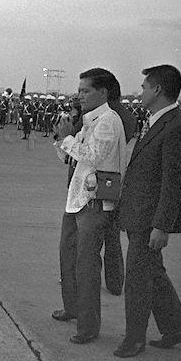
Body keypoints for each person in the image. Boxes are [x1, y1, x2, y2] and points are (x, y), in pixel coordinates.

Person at [113, 65, 181, 358]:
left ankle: (134, 339)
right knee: (153, 273)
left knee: (137, 278)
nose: (141, 91)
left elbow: (174, 183)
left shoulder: (175, 128)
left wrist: (161, 226)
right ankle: (178, 329)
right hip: (139, 213)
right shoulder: (159, 122)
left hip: (150, 219)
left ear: (158, 90)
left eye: (145, 86)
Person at [51, 68, 127, 345]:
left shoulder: (107, 121)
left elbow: (94, 157)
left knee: (86, 265)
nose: (79, 94)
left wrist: (70, 139)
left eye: (85, 90)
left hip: (95, 202)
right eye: (79, 89)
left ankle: (88, 325)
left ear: (102, 92)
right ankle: (72, 307)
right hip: (77, 198)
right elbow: (71, 160)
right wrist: (62, 138)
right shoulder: (89, 121)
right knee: (67, 257)